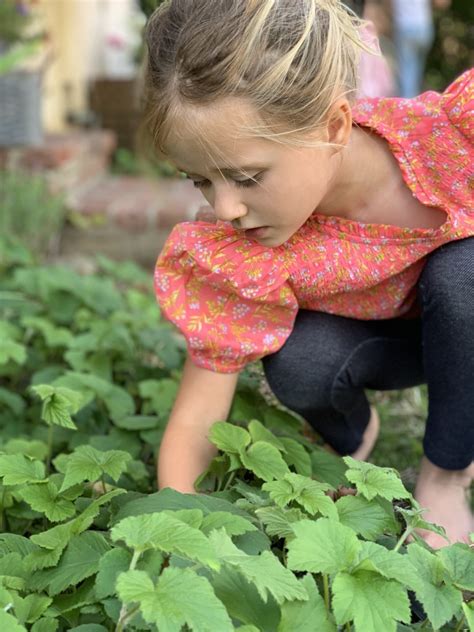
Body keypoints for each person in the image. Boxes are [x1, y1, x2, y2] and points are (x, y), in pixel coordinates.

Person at [143, 0, 474, 549]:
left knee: (463, 273)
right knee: (301, 361)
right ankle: (352, 434)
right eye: (200, 181)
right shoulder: (242, 249)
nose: (224, 208)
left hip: (465, 320)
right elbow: (198, 414)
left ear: (335, 125)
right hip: (392, 344)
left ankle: (445, 474)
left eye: (247, 177)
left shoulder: (453, 144)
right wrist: (183, 531)